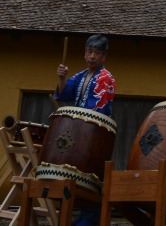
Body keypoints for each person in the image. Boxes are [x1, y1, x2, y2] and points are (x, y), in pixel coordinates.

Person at [54, 34, 116, 226]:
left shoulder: (106, 78)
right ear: (84, 53)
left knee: (90, 177)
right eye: (89, 51)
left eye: (97, 53)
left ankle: (90, 218)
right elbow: (65, 94)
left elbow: (96, 110)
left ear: (104, 57)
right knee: (78, 175)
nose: (92, 56)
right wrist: (62, 78)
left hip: (93, 133)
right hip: (80, 130)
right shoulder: (80, 75)